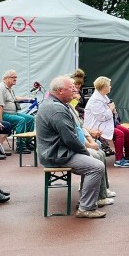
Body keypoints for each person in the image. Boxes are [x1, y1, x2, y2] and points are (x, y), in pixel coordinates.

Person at [35, 76, 107, 217]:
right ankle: (86, 208)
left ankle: (88, 201)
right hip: (56, 155)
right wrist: (85, 151)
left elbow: (71, 136)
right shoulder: (57, 109)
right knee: (96, 166)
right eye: (71, 88)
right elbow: (70, 139)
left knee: (96, 158)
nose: (75, 90)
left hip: (57, 152)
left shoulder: (53, 104)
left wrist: (86, 150)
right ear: (60, 91)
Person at [84, 76, 129, 168]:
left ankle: (127, 155)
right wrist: (111, 109)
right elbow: (101, 117)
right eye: (109, 85)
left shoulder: (103, 96)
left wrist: (112, 110)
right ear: (104, 87)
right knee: (119, 134)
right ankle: (119, 160)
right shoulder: (95, 100)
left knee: (127, 131)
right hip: (96, 126)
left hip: (106, 123)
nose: (110, 87)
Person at [0, 69, 35, 153]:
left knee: (30, 118)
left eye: (16, 77)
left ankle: (28, 142)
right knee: (21, 120)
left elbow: (14, 99)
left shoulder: (9, 88)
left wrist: (28, 99)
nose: (15, 79)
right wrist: (0, 122)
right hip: (4, 114)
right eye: (13, 77)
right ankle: (20, 146)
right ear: (6, 78)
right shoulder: (1, 89)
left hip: (13, 113)